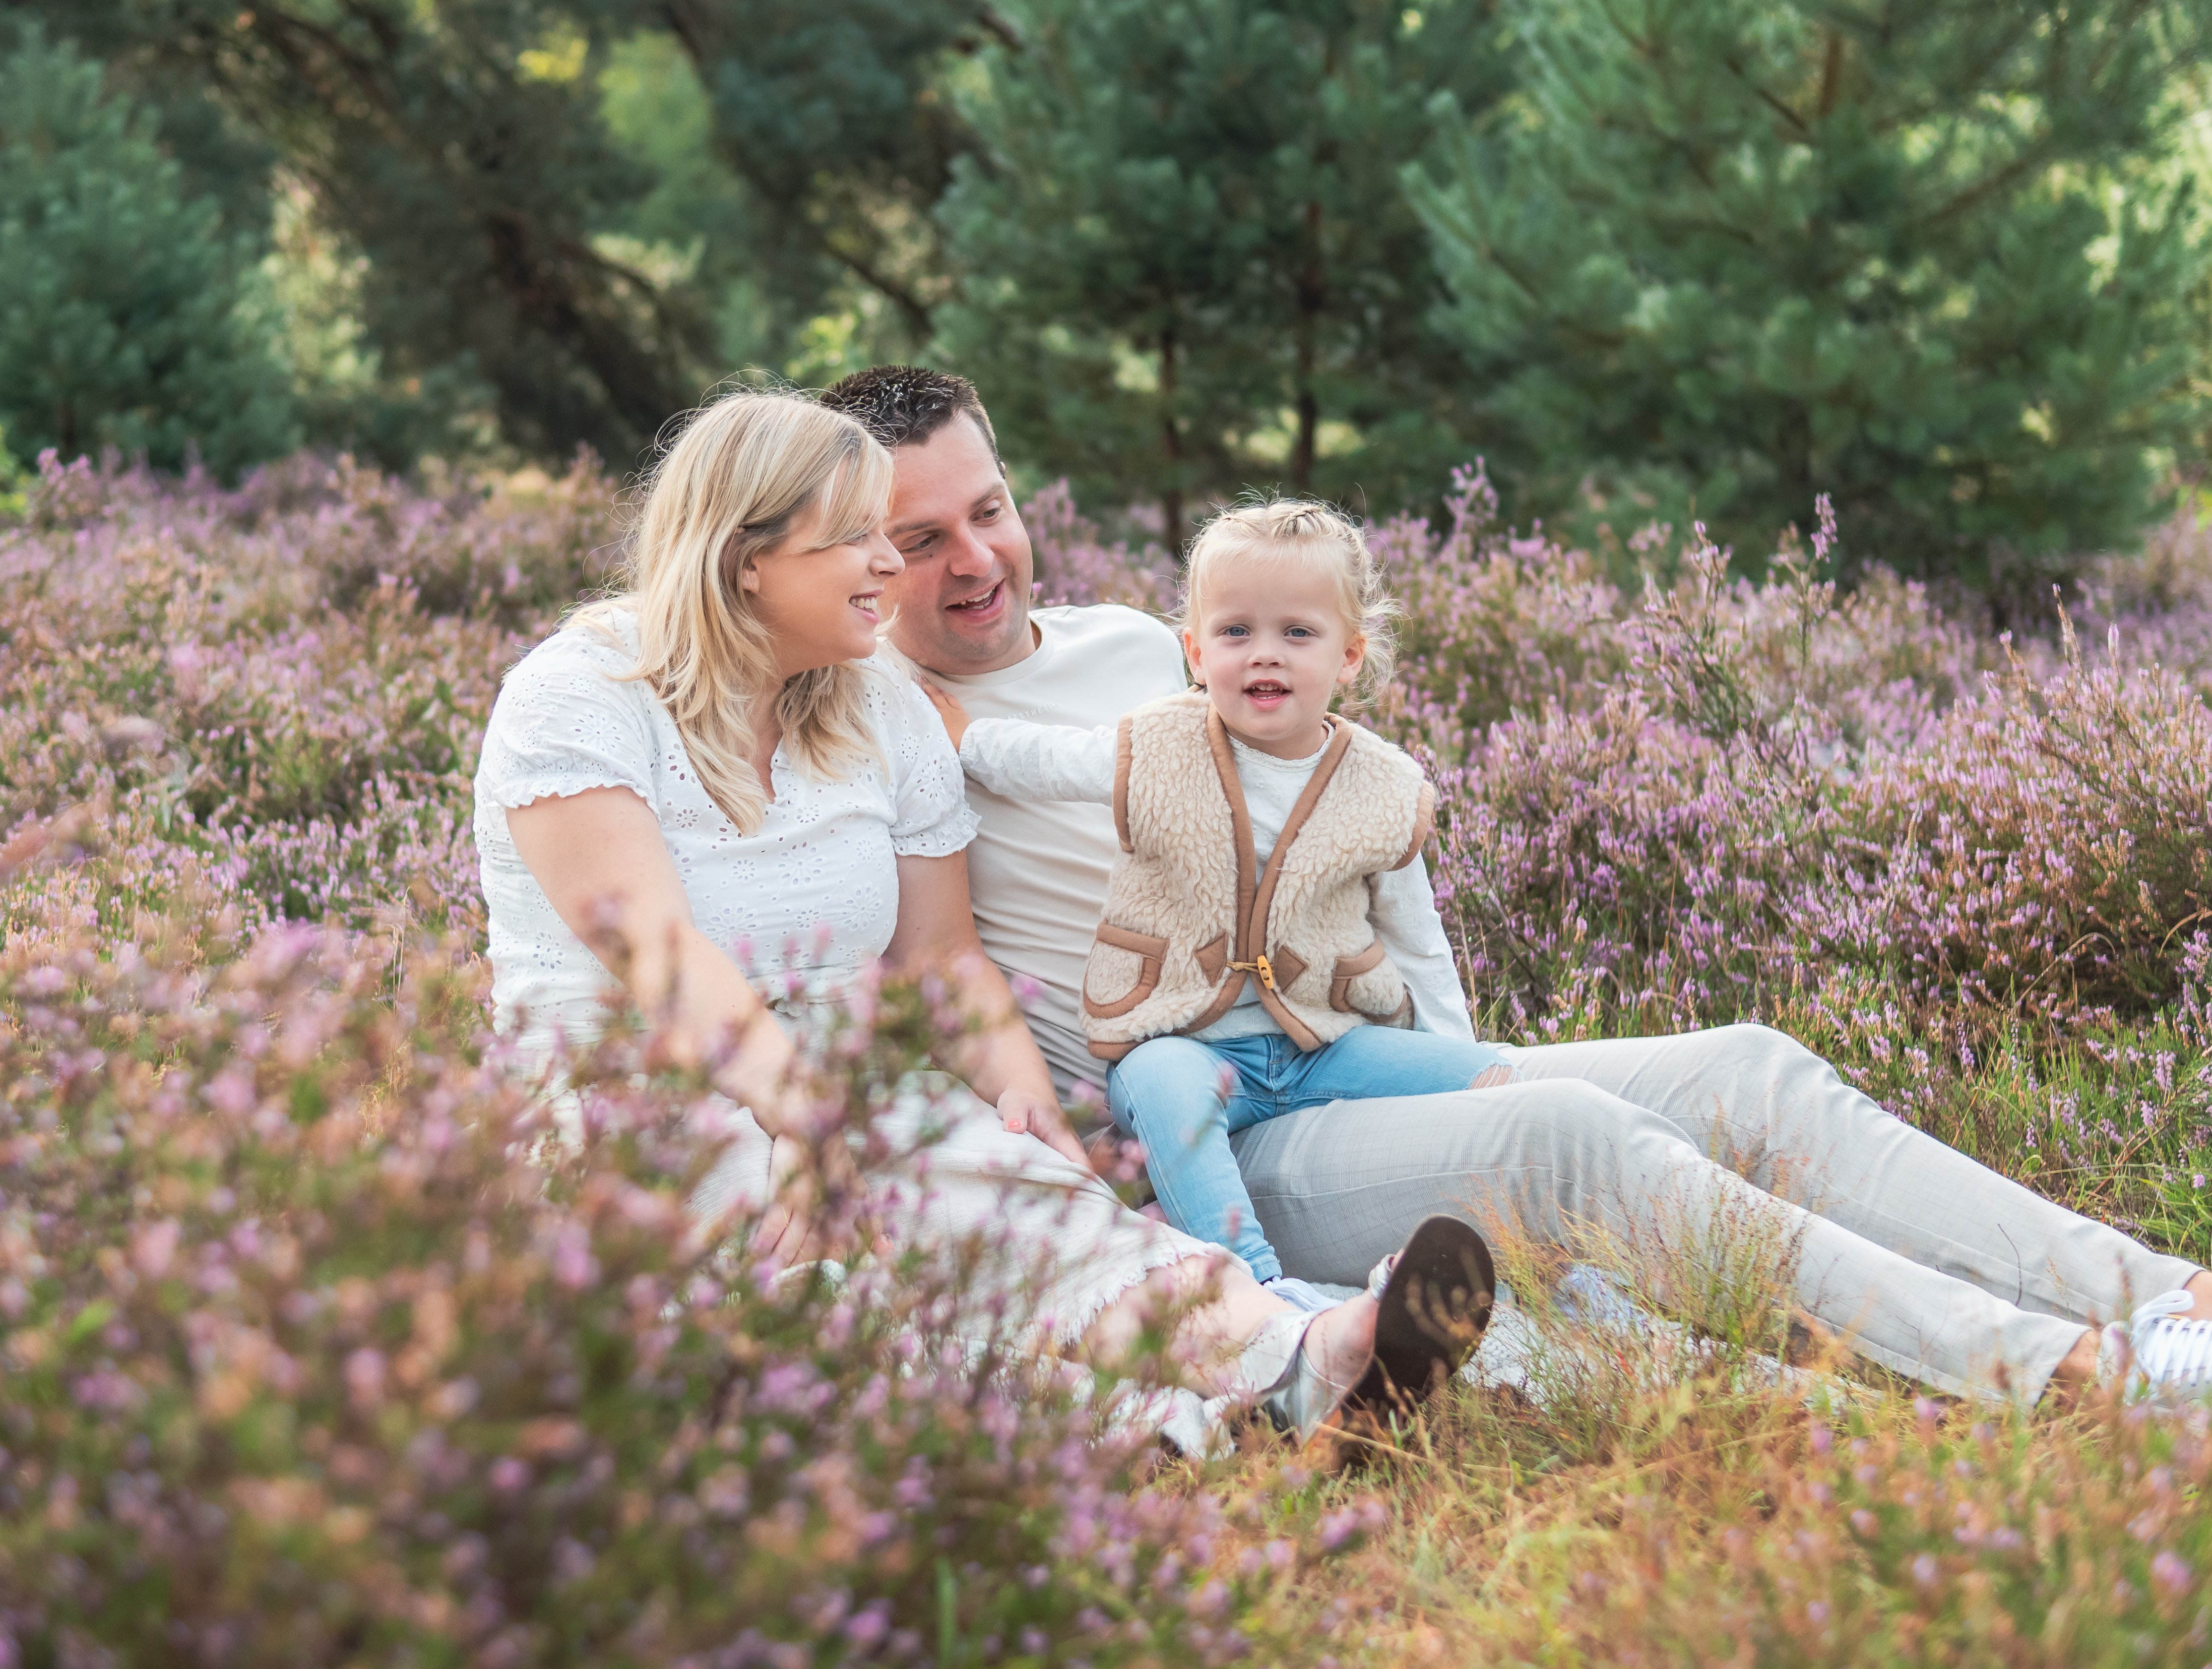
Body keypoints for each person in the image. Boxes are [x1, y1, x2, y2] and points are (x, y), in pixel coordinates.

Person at [818, 363, 2212, 1421]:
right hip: (1224, 1144)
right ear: (861, 559)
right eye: (920, 538)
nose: (975, 559)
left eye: (989, 508)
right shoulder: (874, 733)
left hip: (1349, 1056)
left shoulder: (1138, 642)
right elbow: (902, 972)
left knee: (1747, 1069)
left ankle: (2211, 1303)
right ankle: (2097, 1382)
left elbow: (1332, 841)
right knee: (1567, 1142)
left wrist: (1453, 1046)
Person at [469, 389, 1494, 1450]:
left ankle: (1302, 1355)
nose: (888, 563)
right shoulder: (579, 695)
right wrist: (806, 1126)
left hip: (845, 1085)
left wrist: (1035, 1122)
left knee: (1041, 1221)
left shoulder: (877, 703)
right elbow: (662, 953)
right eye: (858, 536)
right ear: (747, 561)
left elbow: (944, 957)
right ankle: (1134, 1427)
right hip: (637, 1094)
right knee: (804, 1280)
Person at [920, 498, 1511, 1293]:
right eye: (1235, 632)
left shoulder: (1384, 785)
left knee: (1494, 1082)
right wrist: (968, 740)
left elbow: (1418, 940)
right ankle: (1259, 1291)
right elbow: (1052, 761)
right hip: (1185, 1042)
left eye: (1297, 633)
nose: (1264, 655)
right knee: (1162, 1091)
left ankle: (1541, 1261)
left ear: (1349, 656)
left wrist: (1458, 1062)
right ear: (1196, 653)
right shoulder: (1162, 745)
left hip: (1325, 1042)